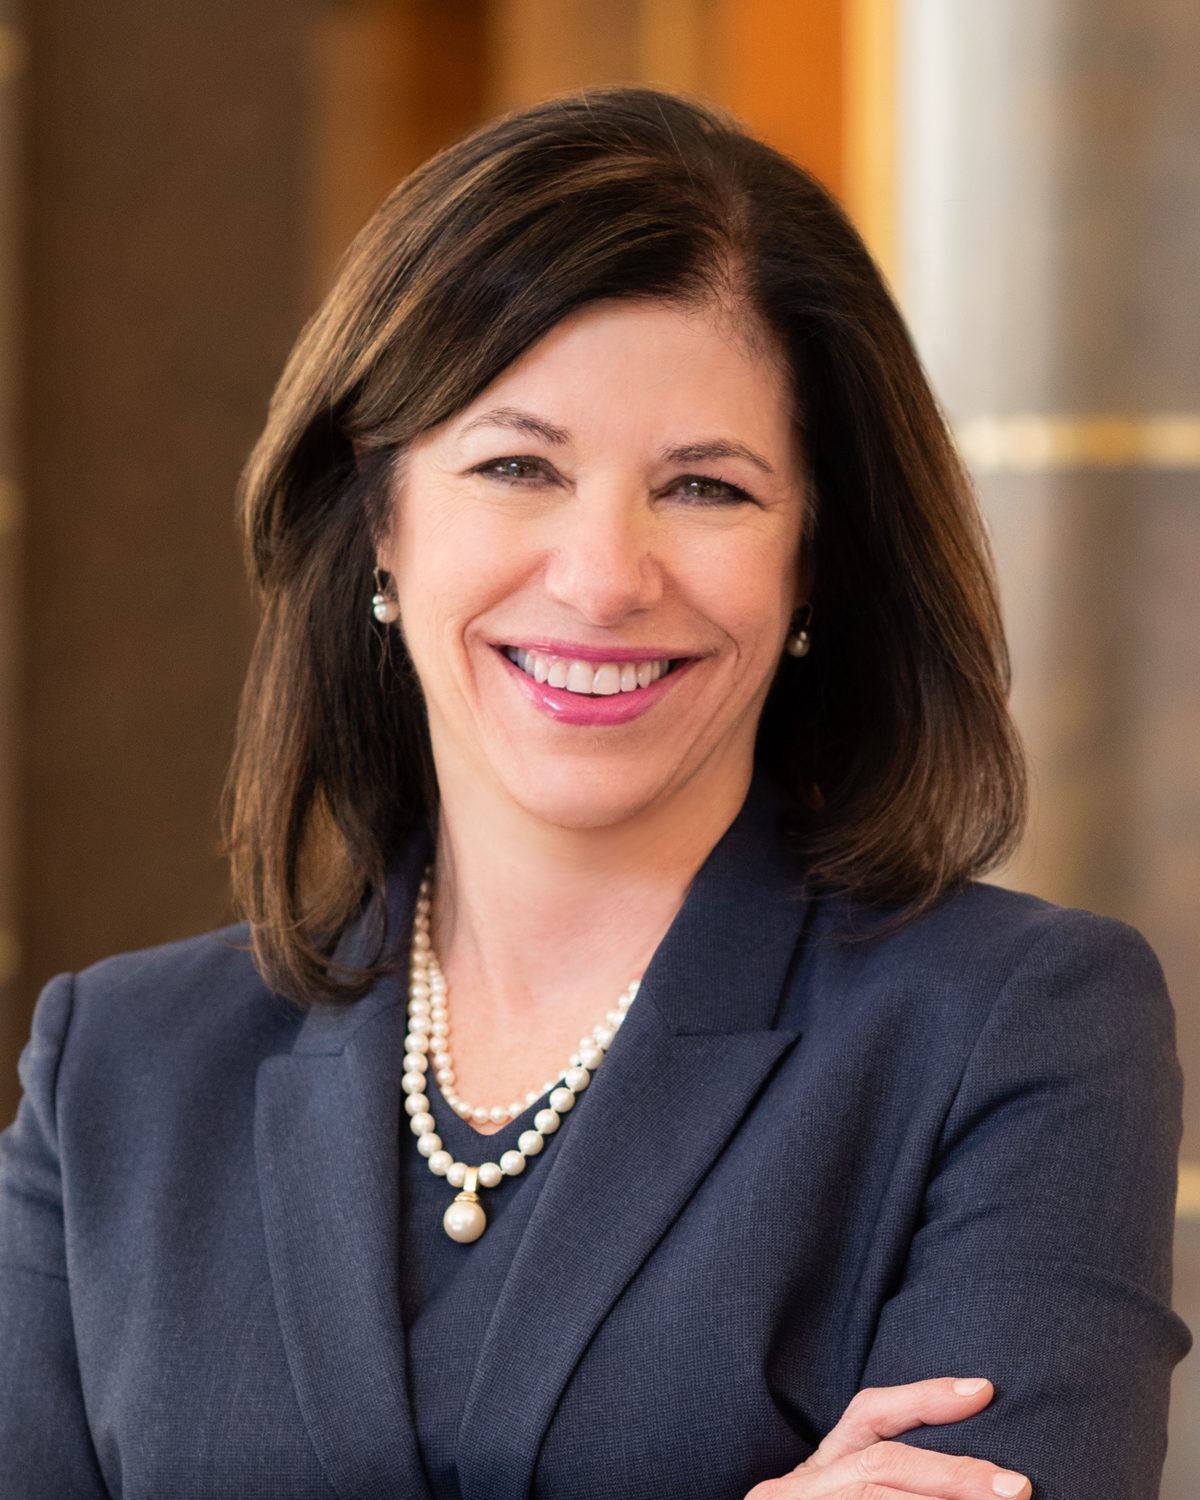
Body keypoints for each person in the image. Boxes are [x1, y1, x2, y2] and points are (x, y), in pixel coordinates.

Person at [0, 85, 1189, 1500]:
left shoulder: (1012, 1035)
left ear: (816, 560)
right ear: (382, 522)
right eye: (516, 466)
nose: (605, 577)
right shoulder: (118, 1075)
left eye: (707, 490)